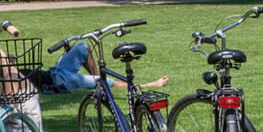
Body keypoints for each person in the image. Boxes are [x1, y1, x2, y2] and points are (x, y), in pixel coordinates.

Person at [29, 41, 167, 93]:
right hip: (60, 81)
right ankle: (149, 84)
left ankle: (98, 79)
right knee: (107, 82)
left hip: (56, 71)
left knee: (83, 46)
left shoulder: (15, 71)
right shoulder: (15, 80)